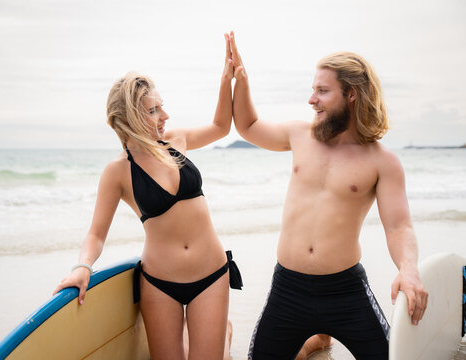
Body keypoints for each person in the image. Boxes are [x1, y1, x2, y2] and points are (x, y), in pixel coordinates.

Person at [227, 32, 428, 359]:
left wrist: (409, 269)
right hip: (288, 289)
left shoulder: (382, 161)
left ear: (351, 94)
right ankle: (315, 341)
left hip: (345, 290)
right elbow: (248, 125)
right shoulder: (299, 135)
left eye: (322, 91)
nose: (312, 99)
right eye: (312, 90)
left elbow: (399, 226)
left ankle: (316, 340)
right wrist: (242, 79)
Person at [53, 33, 242, 360]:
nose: (164, 117)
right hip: (159, 284)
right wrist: (83, 266)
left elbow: (221, 126)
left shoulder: (175, 140)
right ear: (126, 119)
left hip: (212, 274)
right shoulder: (118, 173)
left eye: (162, 107)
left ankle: (221, 337)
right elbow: (96, 234)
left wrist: (227, 79)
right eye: (154, 110)